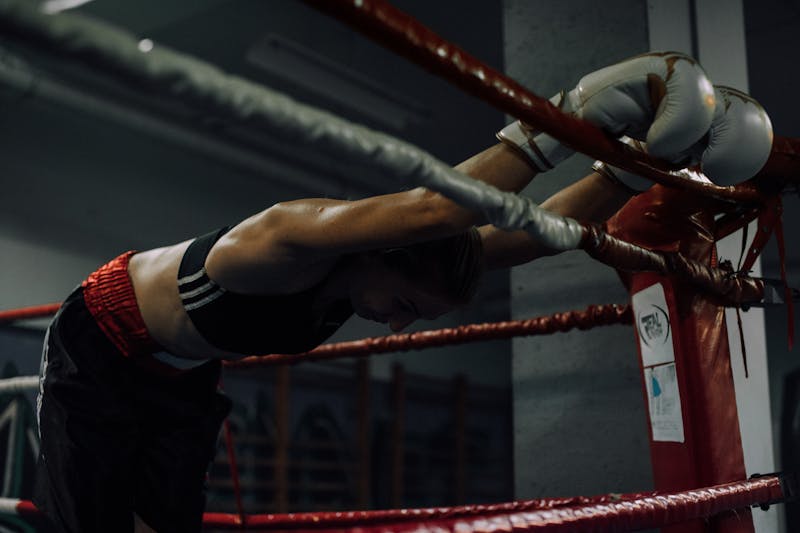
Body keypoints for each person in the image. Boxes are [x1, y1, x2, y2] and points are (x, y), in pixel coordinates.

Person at [33, 52, 771, 532]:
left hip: (181, 374)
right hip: (102, 346)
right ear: (383, 254)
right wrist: (572, 114)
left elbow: (530, 232)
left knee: (169, 524)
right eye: (405, 306)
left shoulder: (395, 261)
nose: (394, 327)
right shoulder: (281, 241)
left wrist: (627, 168)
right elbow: (433, 208)